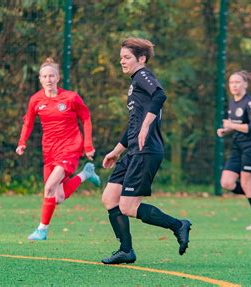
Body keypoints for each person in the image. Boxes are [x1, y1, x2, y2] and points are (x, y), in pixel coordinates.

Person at [100, 37, 191, 265]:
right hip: (132, 151)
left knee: (128, 206)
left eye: (127, 57)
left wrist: (146, 126)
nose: (122, 61)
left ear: (141, 59)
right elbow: (133, 123)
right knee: (110, 198)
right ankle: (126, 250)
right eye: (121, 57)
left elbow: (160, 95)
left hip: (146, 150)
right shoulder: (134, 83)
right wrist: (116, 151)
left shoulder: (143, 75)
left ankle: (178, 225)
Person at [16, 58, 101, 240]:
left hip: (70, 147)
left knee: (48, 188)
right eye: (45, 76)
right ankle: (85, 174)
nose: (48, 79)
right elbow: (28, 123)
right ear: (40, 79)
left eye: (52, 76)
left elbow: (85, 118)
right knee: (58, 197)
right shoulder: (36, 100)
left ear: (58, 78)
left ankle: (42, 230)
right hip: (50, 151)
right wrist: (22, 142)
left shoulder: (71, 98)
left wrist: (88, 145)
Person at [217, 70, 251, 231]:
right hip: (237, 147)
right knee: (226, 183)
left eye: (237, 82)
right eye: (231, 82)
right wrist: (225, 131)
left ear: (245, 84)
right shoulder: (233, 102)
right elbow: (237, 125)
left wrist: (231, 126)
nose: (234, 85)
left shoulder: (250, 102)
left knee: (247, 184)